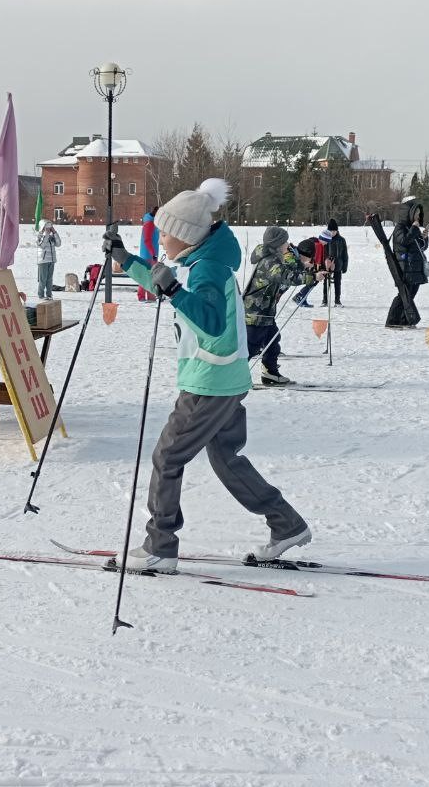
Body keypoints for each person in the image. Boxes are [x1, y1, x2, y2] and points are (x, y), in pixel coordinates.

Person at [102, 178, 311, 573]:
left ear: (184, 235)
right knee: (226, 458)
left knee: (168, 456)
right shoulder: (203, 261)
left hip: (209, 383)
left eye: (165, 232)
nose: (161, 239)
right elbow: (165, 281)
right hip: (224, 377)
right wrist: (126, 259)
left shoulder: (206, 271)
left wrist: (176, 292)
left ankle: (160, 547)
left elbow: (211, 323)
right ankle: (288, 525)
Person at [243, 227, 324, 386]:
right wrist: (313, 277)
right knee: (251, 346)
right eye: (285, 241)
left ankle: (270, 373)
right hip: (255, 311)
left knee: (272, 340)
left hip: (265, 310)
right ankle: (232, 376)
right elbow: (286, 276)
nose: (287, 244)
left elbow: (289, 268)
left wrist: (306, 268)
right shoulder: (269, 261)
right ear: (277, 243)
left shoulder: (274, 257)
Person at [387, 198, 429, 327]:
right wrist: (414, 229)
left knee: (411, 295)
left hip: (415, 267)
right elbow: (404, 241)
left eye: (418, 214)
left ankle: (405, 320)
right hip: (405, 268)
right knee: (403, 295)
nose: (418, 217)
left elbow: (421, 247)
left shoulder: (411, 228)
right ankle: (392, 321)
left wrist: (425, 238)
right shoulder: (400, 228)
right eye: (416, 214)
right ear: (409, 214)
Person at [318, 219, 349, 306]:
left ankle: (337, 301)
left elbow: (345, 254)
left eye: (334, 231)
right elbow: (322, 252)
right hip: (327, 264)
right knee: (326, 283)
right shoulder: (326, 239)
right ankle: (325, 300)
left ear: (337, 230)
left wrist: (345, 266)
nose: (332, 233)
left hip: (338, 264)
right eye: (330, 231)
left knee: (337, 282)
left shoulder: (341, 240)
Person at [137, 208, 160, 302]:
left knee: (148, 275)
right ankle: (144, 296)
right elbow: (147, 240)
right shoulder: (149, 224)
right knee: (148, 275)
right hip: (148, 255)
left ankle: (147, 296)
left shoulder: (151, 223)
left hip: (150, 254)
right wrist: (153, 254)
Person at [36, 219, 60, 299]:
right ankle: (41, 295)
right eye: (47, 226)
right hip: (43, 261)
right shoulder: (39, 236)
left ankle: (49, 294)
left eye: (50, 226)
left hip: (51, 260)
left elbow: (59, 243)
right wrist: (46, 234)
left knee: (49, 279)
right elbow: (42, 245)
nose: (49, 228)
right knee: (43, 279)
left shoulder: (51, 236)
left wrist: (54, 232)